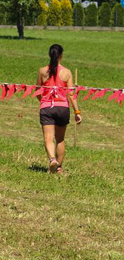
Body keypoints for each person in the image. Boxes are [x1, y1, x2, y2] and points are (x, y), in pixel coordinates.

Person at [35, 44, 82, 174]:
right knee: (60, 139)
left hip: (47, 107)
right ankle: (59, 168)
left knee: (48, 138)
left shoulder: (42, 71)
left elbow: (38, 92)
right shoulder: (67, 72)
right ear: (61, 55)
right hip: (63, 108)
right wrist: (77, 112)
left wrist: (43, 102)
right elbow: (71, 95)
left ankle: (52, 160)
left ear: (49, 55)